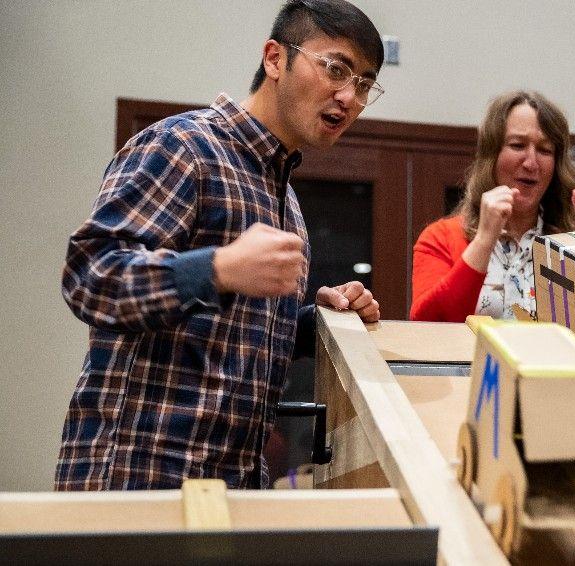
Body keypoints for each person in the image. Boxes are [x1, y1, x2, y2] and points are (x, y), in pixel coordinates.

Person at [56, 0, 385, 490]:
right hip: (138, 484)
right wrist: (219, 268)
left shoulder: (286, 202)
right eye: (336, 68)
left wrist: (314, 319)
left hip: (227, 494)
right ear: (275, 59)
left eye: (364, 83)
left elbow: (233, 336)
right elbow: (90, 277)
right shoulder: (184, 146)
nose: (349, 96)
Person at [410, 90, 575, 322]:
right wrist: (484, 240)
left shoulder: (572, 243)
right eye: (517, 145)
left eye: (545, 150)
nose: (531, 162)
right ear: (491, 155)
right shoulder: (441, 238)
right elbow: (429, 325)